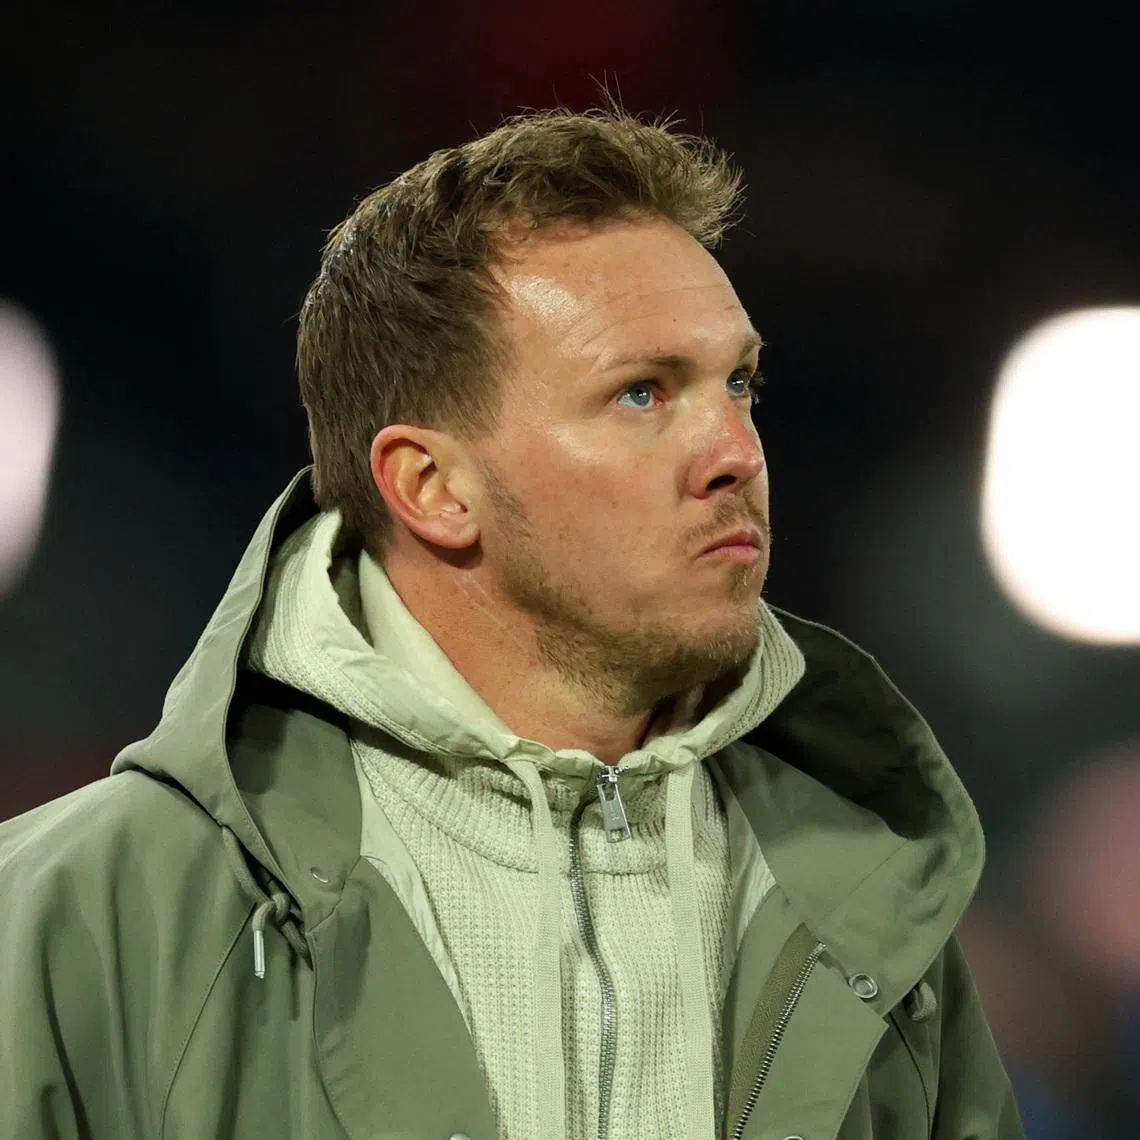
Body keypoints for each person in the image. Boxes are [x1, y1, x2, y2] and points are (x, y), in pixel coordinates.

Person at [0, 106, 1024, 1139]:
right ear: (433, 487)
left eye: (740, 383)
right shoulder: (77, 917)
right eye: (640, 393)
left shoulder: (873, 902)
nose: (736, 451)